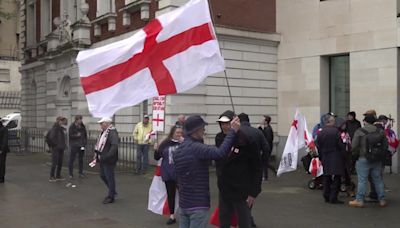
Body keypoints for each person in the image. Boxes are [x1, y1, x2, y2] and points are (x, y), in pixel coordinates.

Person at [174, 115, 240, 228]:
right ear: (196, 130)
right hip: (198, 205)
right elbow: (220, 153)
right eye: (203, 127)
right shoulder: (197, 148)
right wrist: (232, 131)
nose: (204, 130)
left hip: (184, 204)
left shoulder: (179, 150)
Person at [217, 113, 264, 228]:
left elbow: (257, 167)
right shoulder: (219, 137)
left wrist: (254, 192)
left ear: (235, 123)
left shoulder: (247, 140)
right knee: (224, 222)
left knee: (244, 222)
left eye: (227, 123)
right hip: (224, 190)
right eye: (222, 123)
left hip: (242, 191)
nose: (224, 126)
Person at [349, 114, 388, 208]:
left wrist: (355, 153)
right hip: (377, 159)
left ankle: (359, 200)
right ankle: (382, 200)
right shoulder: (380, 131)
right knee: (378, 179)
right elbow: (385, 145)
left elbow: (353, 145)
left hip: (363, 158)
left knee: (362, 180)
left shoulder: (360, 131)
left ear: (365, 121)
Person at [154, 125, 183, 225]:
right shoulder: (165, 143)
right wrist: (157, 149)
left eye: (180, 133)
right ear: (172, 133)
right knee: (171, 195)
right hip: (168, 172)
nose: (179, 135)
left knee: (184, 194)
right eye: (177, 133)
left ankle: (185, 214)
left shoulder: (184, 142)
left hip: (181, 173)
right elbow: (157, 157)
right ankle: (172, 216)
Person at [315, 115, 346, 204]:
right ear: (330, 122)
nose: (334, 122)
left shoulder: (320, 132)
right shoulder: (336, 132)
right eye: (333, 121)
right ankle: (333, 197)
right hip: (336, 156)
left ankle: (326, 195)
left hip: (325, 156)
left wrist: (321, 156)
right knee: (337, 177)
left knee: (326, 176)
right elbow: (340, 145)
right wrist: (344, 153)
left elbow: (318, 145)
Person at [95, 117, 119, 204]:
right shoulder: (104, 132)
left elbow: (114, 146)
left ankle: (111, 196)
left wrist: (108, 156)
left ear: (107, 123)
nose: (100, 125)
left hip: (108, 159)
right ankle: (112, 191)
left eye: (101, 123)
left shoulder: (112, 132)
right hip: (103, 158)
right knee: (102, 175)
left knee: (109, 177)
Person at [47, 116, 68, 182]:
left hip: (61, 148)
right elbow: (51, 138)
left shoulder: (61, 128)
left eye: (63, 120)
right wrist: (56, 145)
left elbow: (63, 138)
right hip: (56, 148)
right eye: (61, 120)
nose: (63, 122)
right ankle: (51, 176)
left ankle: (58, 175)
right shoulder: (55, 128)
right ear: (58, 121)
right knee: (55, 162)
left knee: (60, 162)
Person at [258, 115, 275, 181]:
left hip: (267, 148)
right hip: (266, 148)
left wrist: (264, 149)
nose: (261, 120)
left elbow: (267, 139)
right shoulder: (266, 128)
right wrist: (260, 128)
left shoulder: (268, 129)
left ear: (266, 121)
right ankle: (272, 171)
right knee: (265, 162)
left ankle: (265, 177)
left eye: (263, 119)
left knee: (264, 162)